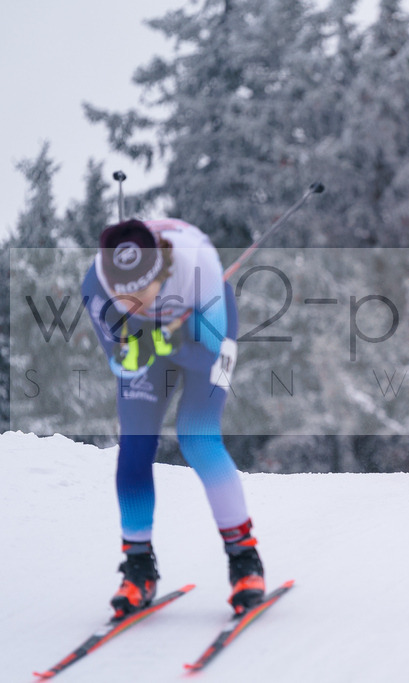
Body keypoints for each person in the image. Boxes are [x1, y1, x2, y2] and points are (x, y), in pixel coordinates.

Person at [81, 218, 266, 617]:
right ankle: (137, 567)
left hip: (204, 328)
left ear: (159, 273)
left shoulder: (198, 267)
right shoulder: (96, 285)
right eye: (120, 295)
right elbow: (122, 364)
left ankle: (244, 559)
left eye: (139, 293)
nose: (128, 301)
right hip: (157, 337)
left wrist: (175, 340)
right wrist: (139, 345)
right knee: (134, 445)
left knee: (197, 436)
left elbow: (213, 353)